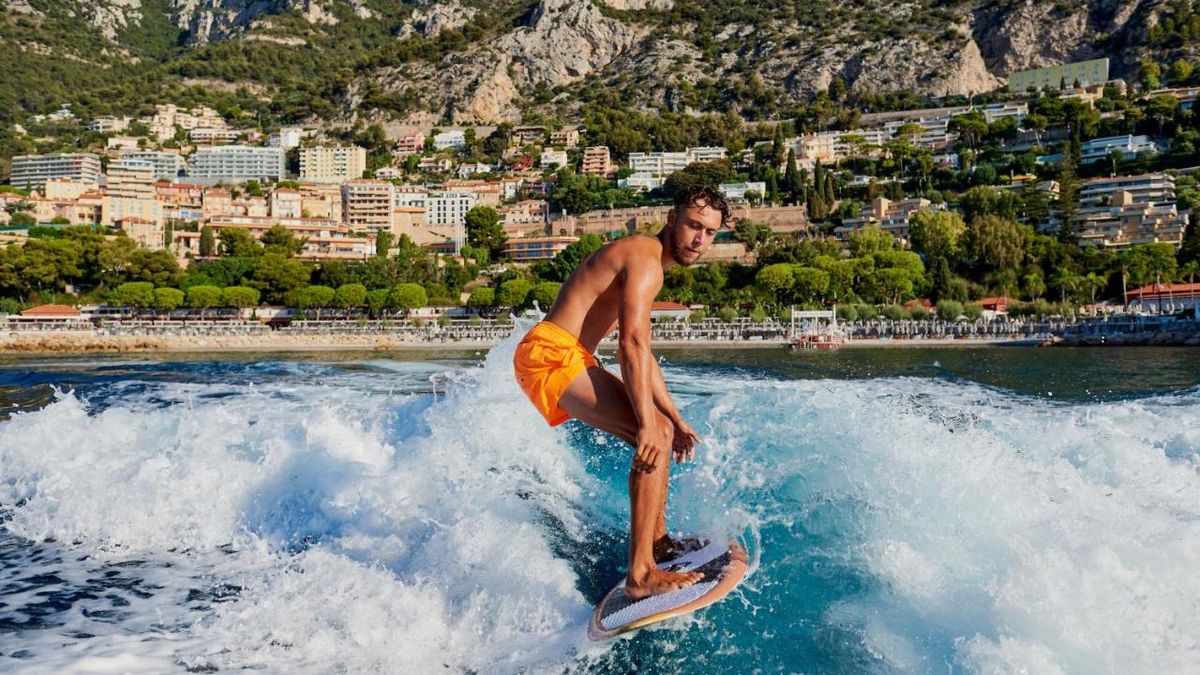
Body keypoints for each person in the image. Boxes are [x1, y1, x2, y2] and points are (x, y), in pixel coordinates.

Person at [512, 185, 731, 599]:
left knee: (663, 430)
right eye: (693, 226)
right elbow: (630, 345)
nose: (699, 239)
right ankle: (641, 573)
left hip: (561, 354)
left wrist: (673, 417)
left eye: (710, 232)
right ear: (672, 220)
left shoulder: (643, 260)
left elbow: (643, 355)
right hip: (550, 354)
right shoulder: (645, 260)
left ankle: (657, 544)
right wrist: (649, 423)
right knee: (654, 433)